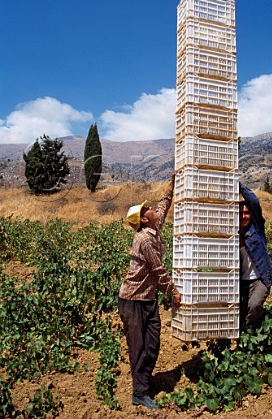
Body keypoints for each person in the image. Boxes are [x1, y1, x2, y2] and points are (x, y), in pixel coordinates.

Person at [118, 174, 181, 410]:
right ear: (144, 219)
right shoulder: (144, 239)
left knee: (153, 344)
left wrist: (171, 187)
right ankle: (139, 393)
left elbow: (163, 206)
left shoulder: (154, 227)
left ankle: (143, 382)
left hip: (148, 299)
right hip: (133, 301)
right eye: (148, 209)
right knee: (139, 347)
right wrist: (173, 292)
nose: (153, 209)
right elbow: (157, 270)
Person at [239, 183, 272, 331]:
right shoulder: (230, 235)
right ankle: (244, 338)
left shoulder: (256, 228)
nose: (244, 216)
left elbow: (253, 201)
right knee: (240, 312)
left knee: (254, 305)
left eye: (247, 213)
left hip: (260, 279)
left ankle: (249, 335)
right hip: (241, 282)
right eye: (240, 213)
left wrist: (236, 184)